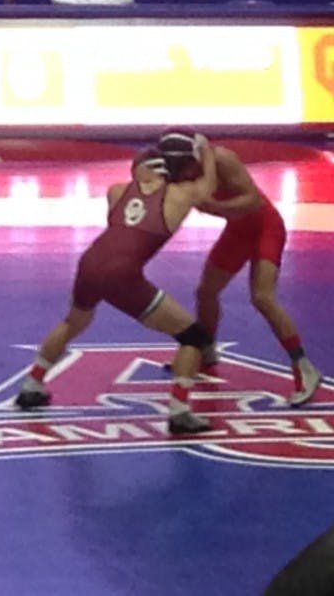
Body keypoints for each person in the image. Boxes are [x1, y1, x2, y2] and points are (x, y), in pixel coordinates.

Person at [14, 142, 219, 434]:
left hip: (90, 262)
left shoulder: (116, 192)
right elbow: (207, 187)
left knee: (73, 321)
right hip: (121, 274)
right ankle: (179, 412)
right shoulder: (178, 196)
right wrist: (206, 152)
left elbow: (122, 221)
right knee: (194, 336)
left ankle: (32, 385)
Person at [158, 129, 321, 406]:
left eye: (186, 169)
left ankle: (304, 367)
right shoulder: (178, 169)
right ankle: (207, 352)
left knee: (262, 297)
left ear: (196, 158)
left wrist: (212, 207)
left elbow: (252, 201)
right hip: (238, 229)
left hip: (264, 227)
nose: (183, 175)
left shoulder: (222, 160)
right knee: (206, 291)